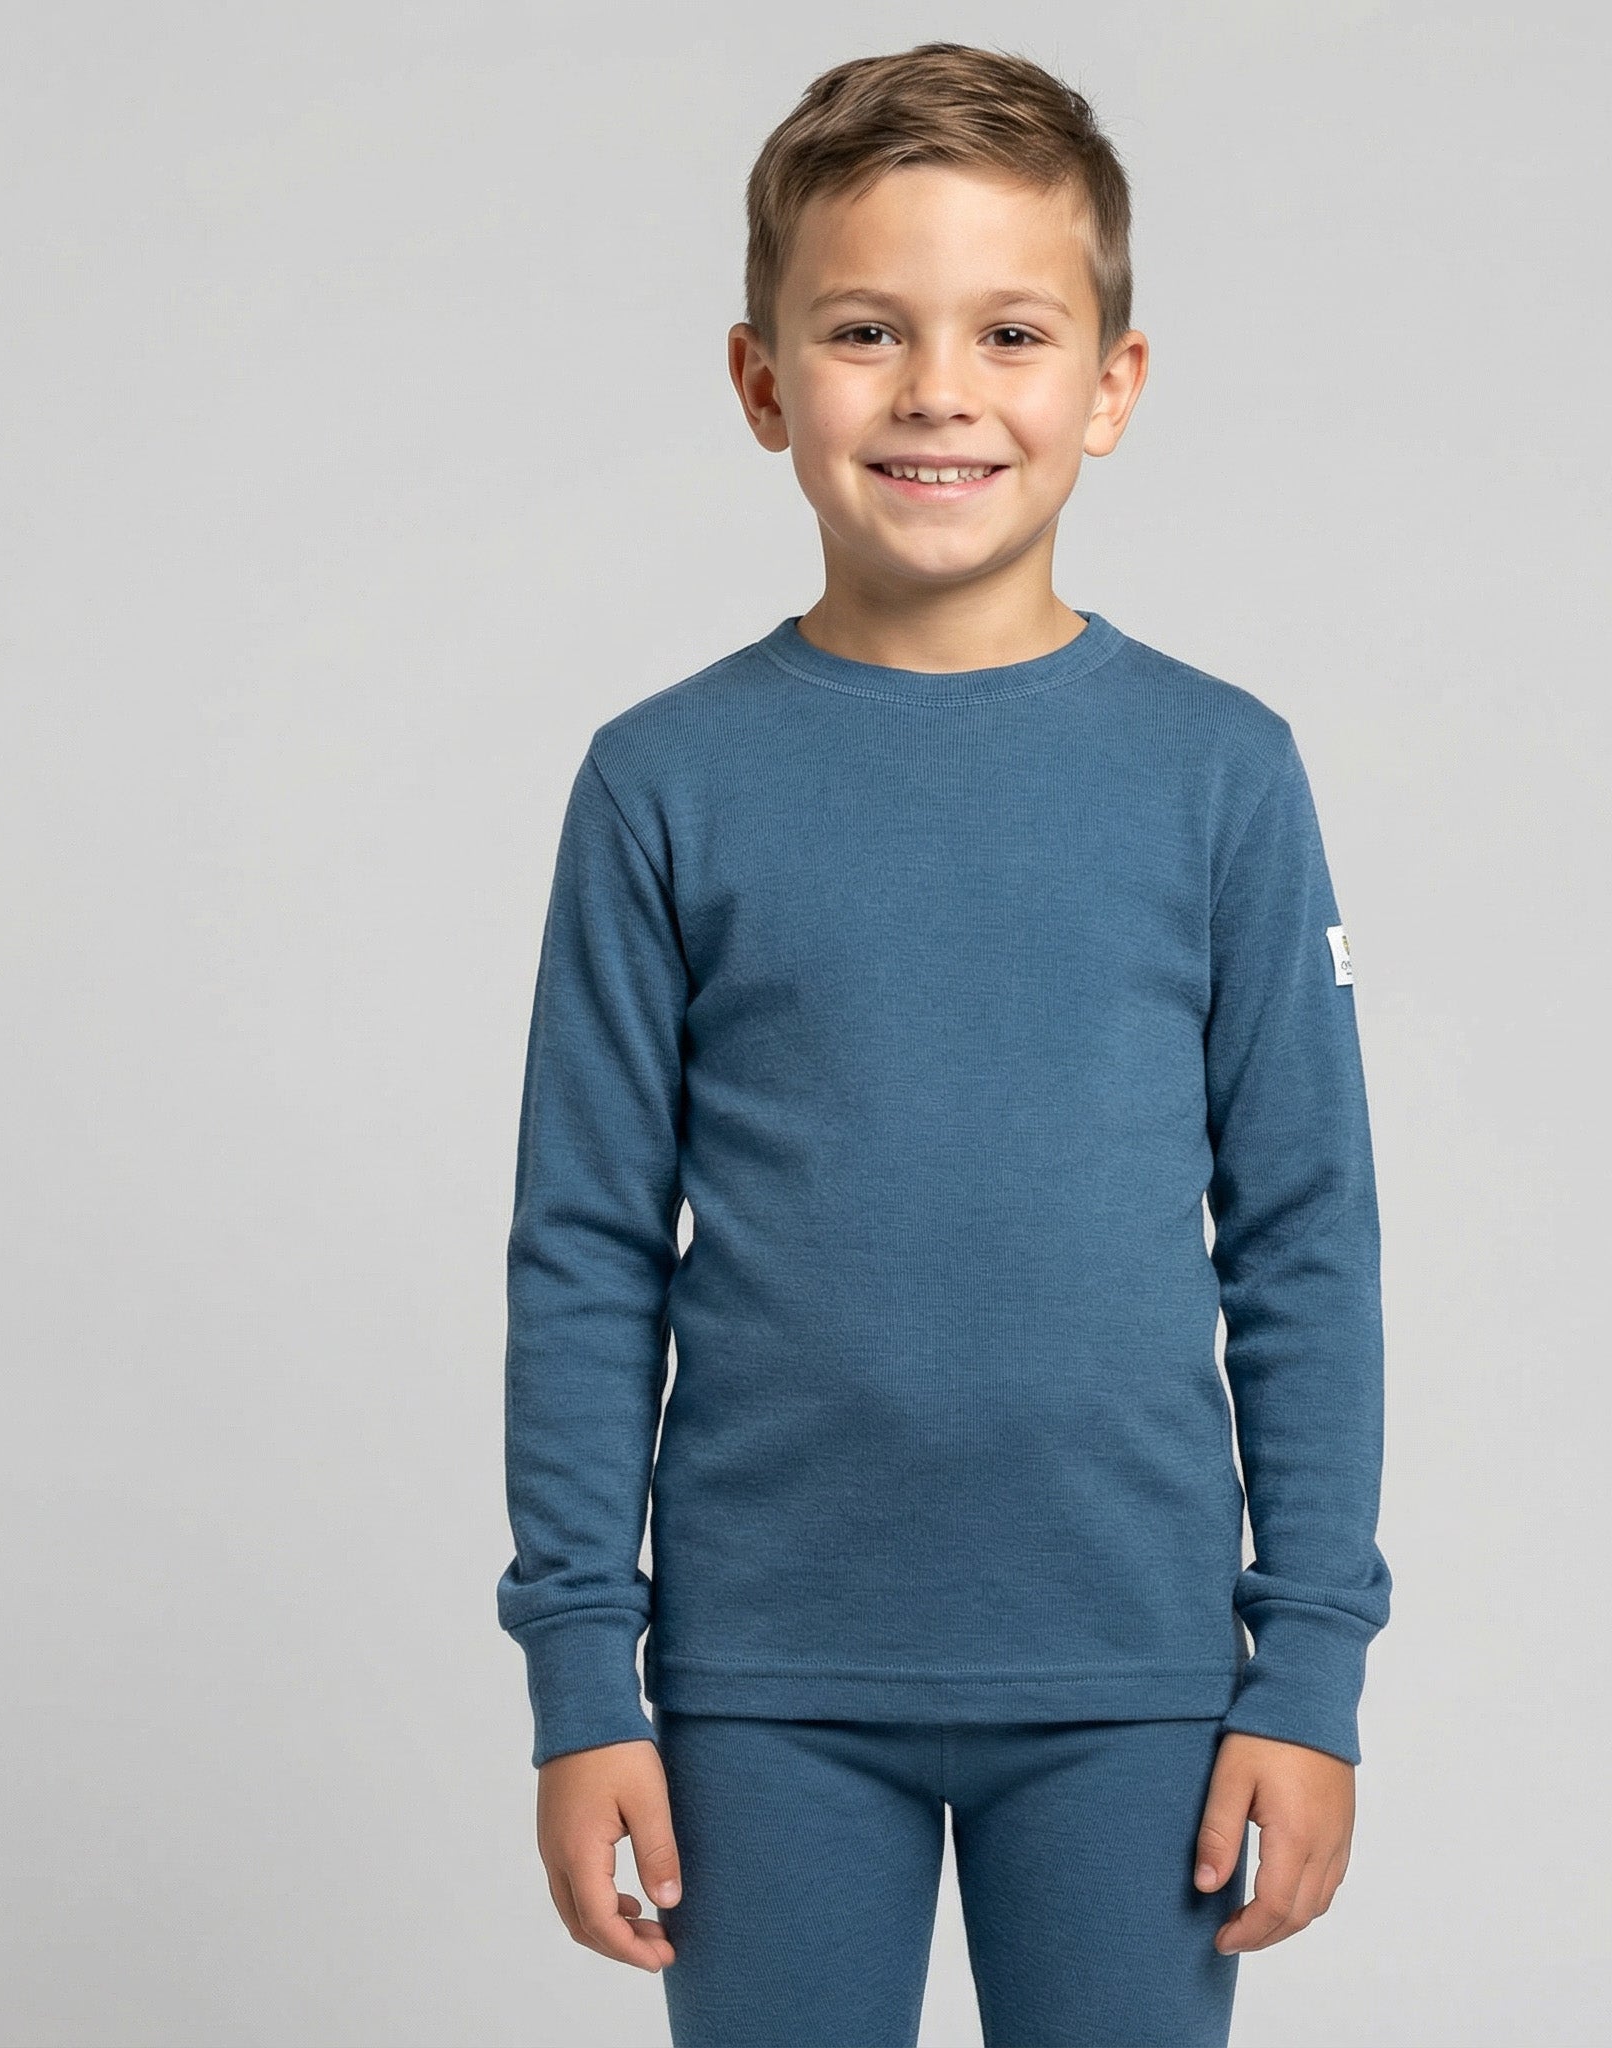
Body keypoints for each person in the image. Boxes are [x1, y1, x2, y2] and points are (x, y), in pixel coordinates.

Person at [495, 39, 1392, 2048]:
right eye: (864, 331)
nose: (936, 390)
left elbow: (1305, 1238)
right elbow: (585, 1249)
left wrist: (1309, 1672)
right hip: (759, 1688)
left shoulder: (1222, 775)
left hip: (1138, 1681)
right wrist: (582, 1684)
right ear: (762, 383)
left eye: (1009, 330)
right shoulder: (662, 782)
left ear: (1112, 384)